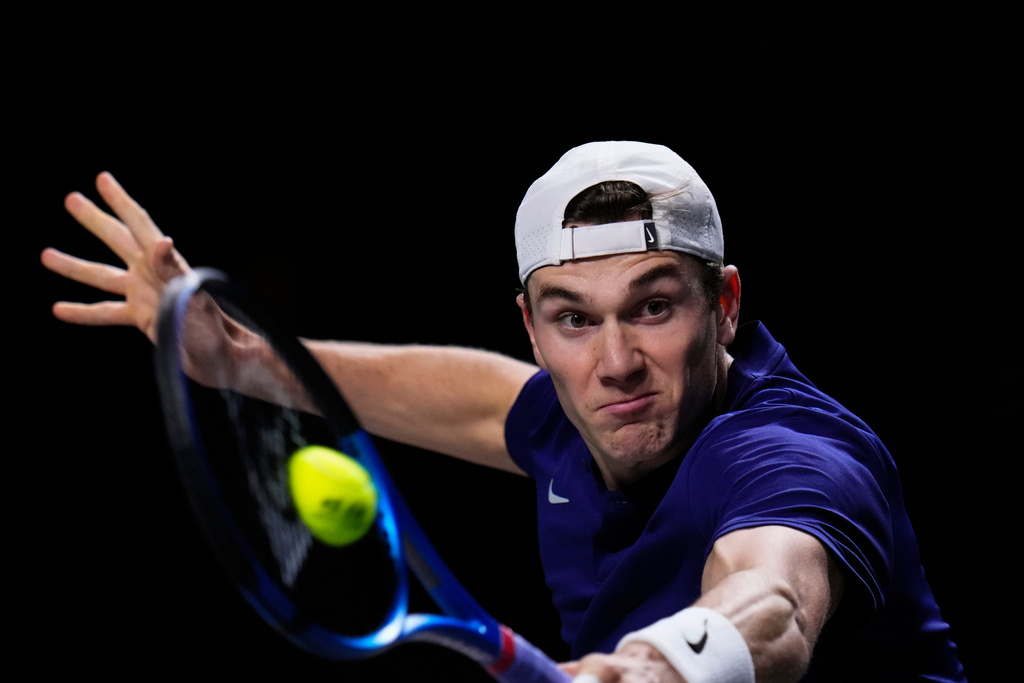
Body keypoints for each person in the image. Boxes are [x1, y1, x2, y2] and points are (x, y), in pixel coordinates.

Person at [42, 141, 965, 682]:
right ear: (533, 327)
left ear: (723, 306)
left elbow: (777, 601)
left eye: (653, 306)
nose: (615, 362)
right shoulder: (571, 414)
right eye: (574, 319)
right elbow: (480, 401)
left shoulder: (793, 454)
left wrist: (651, 667)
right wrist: (239, 358)